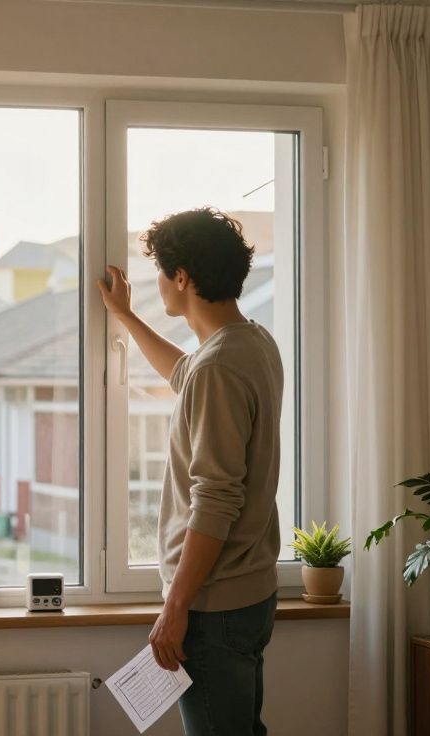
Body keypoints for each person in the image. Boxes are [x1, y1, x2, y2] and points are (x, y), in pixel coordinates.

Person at [96, 208, 283, 736]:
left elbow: (215, 498)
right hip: (249, 593)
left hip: (213, 604)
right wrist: (127, 317)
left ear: (182, 278)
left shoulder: (219, 367)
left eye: (161, 270)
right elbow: (187, 372)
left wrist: (175, 608)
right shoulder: (251, 344)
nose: (158, 281)